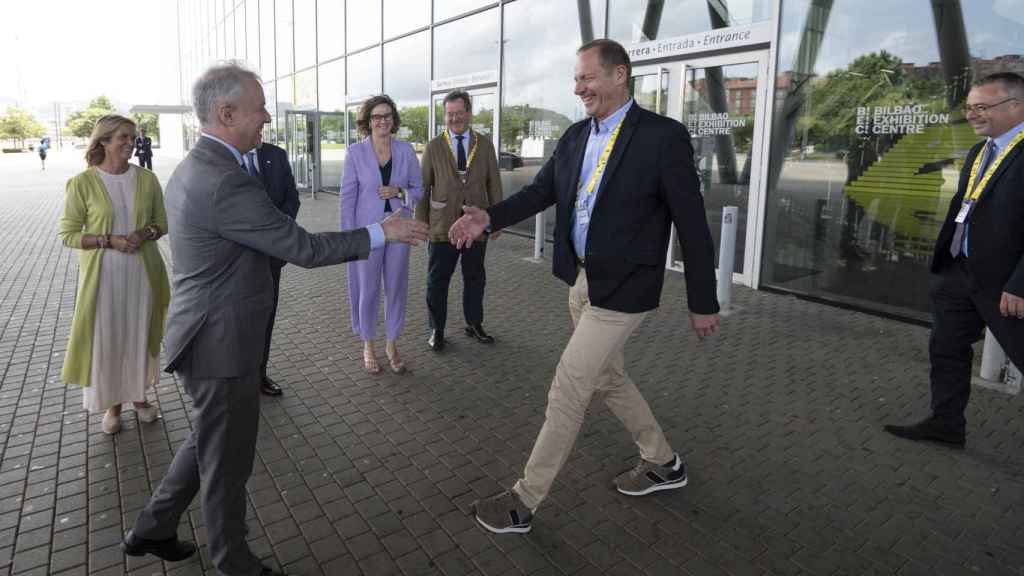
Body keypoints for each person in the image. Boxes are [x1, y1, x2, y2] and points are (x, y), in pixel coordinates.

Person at [120, 64, 428, 576]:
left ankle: (152, 529)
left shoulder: (198, 166)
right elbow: (303, 247)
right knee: (228, 461)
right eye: (259, 107)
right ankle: (234, 561)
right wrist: (383, 232)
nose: (266, 116)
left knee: (207, 443)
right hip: (221, 344)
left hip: (209, 337)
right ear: (226, 113)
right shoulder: (224, 180)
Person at [449, 39, 721, 534]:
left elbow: (692, 224)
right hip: (583, 283)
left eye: (587, 78)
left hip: (627, 288)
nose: (578, 88)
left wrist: (703, 302)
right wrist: (488, 218)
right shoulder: (576, 136)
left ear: (620, 75)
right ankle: (663, 462)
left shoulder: (663, 138)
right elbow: (539, 192)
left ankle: (523, 501)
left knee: (569, 384)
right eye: (576, 79)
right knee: (607, 378)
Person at [884, 72, 1024, 448]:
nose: (973, 115)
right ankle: (946, 424)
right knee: (946, 349)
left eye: (982, 107)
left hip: (1006, 284)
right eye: (969, 108)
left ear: (1016, 106)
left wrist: (1020, 284)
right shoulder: (982, 151)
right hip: (958, 273)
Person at [58, 115, 170, 436]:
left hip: (142, 276)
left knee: (138, 333)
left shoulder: (147, 179)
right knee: (110, 338)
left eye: (132, 137)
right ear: (104, 141)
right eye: (122, 137)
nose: (130, 143)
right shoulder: (82, 183)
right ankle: (113, 404)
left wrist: (145, 232)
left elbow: (162, 222)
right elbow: (68, 234)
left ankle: (139, 397)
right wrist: (109, 240)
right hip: (103, 280)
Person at [341, 95, 424, 374]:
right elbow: (347, 198)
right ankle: (368, 343)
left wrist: (400, 192)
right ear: (368, 122)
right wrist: (347, 238)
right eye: (376, 117)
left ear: (393, 119)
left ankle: (392, 342)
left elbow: (419, 189)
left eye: (387, 115)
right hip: (368, 232)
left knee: (396, 286)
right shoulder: (355, 153)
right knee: (368, 288)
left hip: (400, 228)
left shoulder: (406, 150)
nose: (382, 121)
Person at [415, 90, 502, 352]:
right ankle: (436, 329)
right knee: (437, 281)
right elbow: (423, 187)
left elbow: (494, 184)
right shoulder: (433, 146)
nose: (455, 119)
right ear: (445, 116)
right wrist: (422, 223)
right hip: (442, 228)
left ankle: (474, 324)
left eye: (460, 113)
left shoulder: (484, 144)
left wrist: (496, 219)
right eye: (450, 114)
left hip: (476, 226)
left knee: (475, 277)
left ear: (469, 113)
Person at [243, 133, 300, 395]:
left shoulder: (275, 155)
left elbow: (292, 198)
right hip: (237, 260)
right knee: (237, 321)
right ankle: (237, 380)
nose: (260, 127)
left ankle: (259, 374)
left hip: (272, 257)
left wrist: (276, 233)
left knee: (266, 317)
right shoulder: (225, 160)